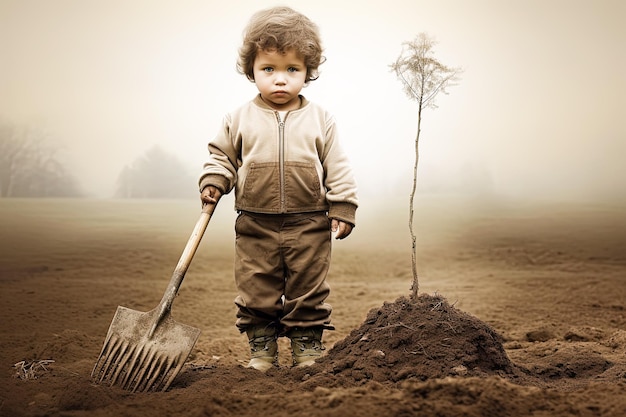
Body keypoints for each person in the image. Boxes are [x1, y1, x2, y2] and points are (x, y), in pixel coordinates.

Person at [199, 6, 358, 371]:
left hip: (309, 223)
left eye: (292, 69)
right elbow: (221, 157)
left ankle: (307, 348)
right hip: (254, 222)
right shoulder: (237, 118)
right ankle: (262, 350)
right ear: (251, 70)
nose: (280, 80)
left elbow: (338, 164)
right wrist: (214, 181)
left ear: (308, 72)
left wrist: (344, 206)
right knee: (257, 286)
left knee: (308, 287)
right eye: (269, 69)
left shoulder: (321, 119)